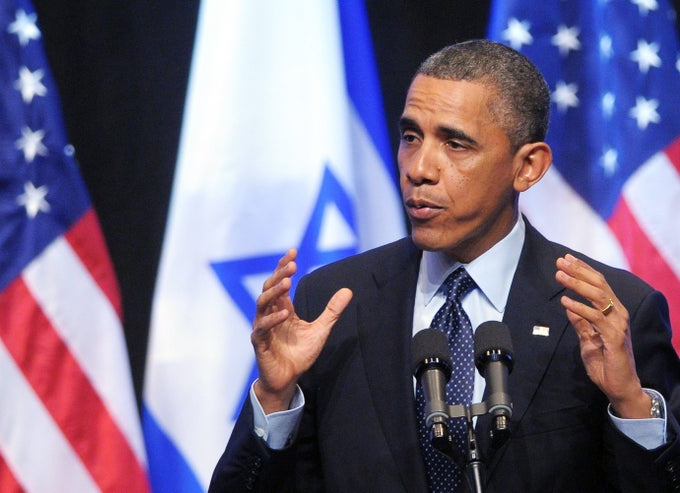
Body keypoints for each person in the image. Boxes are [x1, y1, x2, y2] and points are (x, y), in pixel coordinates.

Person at [209, 39, 680, 492]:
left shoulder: (612, 314)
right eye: (411, 137)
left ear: (528, 167)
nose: (419, 168)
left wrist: (631, 407)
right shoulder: (330, 304)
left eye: (455, 144)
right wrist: (275, 402)